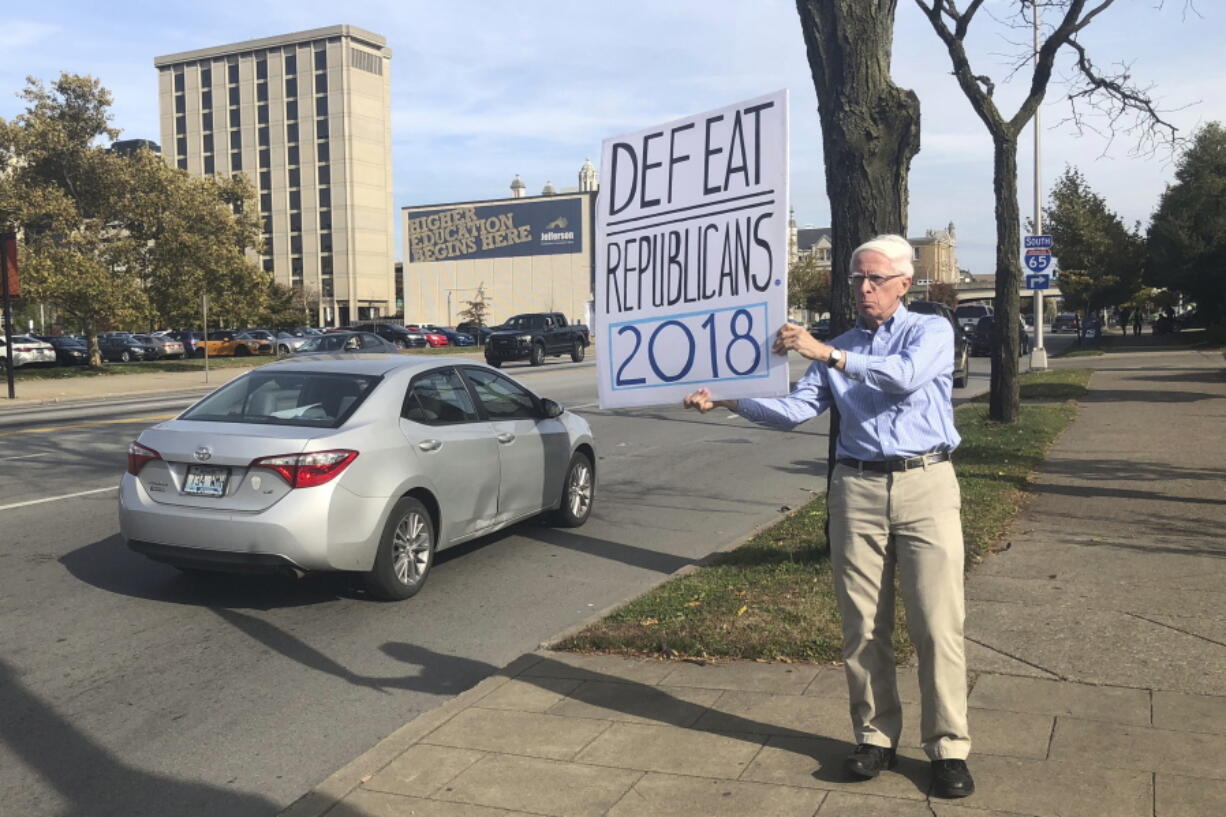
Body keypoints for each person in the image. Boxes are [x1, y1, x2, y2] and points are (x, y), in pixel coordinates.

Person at [683, 234, 974, 799]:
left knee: (937, 624)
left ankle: (947, 748)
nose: (864, 289)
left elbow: (903, 376)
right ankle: (874, 737)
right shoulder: (836, 345)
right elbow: (795, 410)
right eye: (857, 279)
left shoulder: (930, 331)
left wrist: (827, 353)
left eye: (876, 279)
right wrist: (729, 398)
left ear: (903, 284)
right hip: (856, 487)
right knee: (862, 625)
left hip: (926, 483)